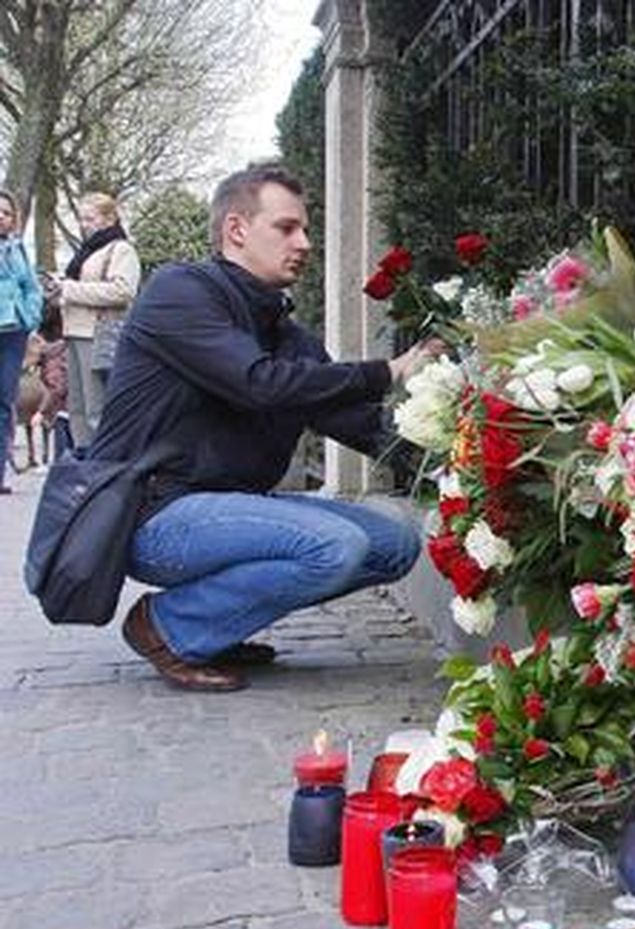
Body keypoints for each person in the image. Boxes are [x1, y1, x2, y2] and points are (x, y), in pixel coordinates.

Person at [90, 162, 445, 692]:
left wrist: (455, 459)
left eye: (304, 229)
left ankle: (214, 628)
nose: (303, 243)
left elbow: (354, 422)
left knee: (394, 543)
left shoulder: (284, 332)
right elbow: (259, 383)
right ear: (236, 230)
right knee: (336, 546)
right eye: (286, 228)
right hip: (154, 514)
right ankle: (169, 626)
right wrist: (387, 371)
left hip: (229, 513)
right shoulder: (178, 294)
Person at [54, 192, 141, 444]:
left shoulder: (121, 250)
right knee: (77, 407)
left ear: (109, 218)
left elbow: (122, 291)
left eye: (89, 218)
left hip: (98, 333)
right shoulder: (87, 251)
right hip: (74, 331)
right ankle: (83, 463)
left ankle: (102, 466)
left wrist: (70, 289)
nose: (84, 224)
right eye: (81, 219)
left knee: (97, 408)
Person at [0, 189, 45, 495]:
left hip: (13, 331)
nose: (1, 217)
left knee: (4, 403)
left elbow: (31, 286)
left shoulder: (18, 249)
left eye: (6, 213)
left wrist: (30, 316)